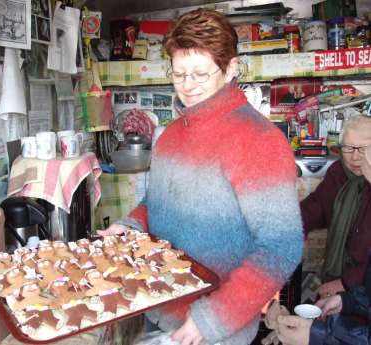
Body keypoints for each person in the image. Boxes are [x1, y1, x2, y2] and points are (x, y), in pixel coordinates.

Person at [98, 8, 303, 345]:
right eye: (179, 74)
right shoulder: (171, 135)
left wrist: (212, 319)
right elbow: (157, 203)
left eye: (200, 74)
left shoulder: (258, 140)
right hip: (158, 305)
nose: (188, 86)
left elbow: (280, 247)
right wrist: (130, 228)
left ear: (231, 68)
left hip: (215, 326)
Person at [301, 115, 371, 299]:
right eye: (348, 148)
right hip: (334, 272)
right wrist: (289, 228)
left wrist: (345, 283)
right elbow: (316, 207)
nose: (355, 156)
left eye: (363, 148)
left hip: (363, 286)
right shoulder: (338, 172)